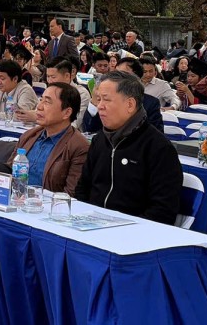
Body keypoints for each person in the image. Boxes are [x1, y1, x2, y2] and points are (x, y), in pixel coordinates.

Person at [74, 72, 182, 224]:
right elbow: (82, 189)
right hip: (89, 224)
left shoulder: (159, 148)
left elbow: (162, 210)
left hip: (133, 231)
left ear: (130, 104)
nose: (100, 106)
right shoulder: (99, 140)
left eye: (106, 99)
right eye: (99, 99)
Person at [6, 83, 89, 195]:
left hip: (46, 204)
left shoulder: (79, 146)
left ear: (66, 113)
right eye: (41, 100)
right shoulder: (29, 136)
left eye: (47, 102)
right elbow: (8, 172)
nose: (39, 107)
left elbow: (70, 194)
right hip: (16, 199)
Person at [84, 58, 164, 133]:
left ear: (137, 78)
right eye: (115, 74)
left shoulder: (150, 103)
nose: (117, 78)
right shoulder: (106, 100)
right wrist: (94, 103)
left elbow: (155, 135)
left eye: (122, 74)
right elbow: (89, 130)